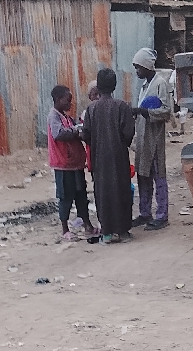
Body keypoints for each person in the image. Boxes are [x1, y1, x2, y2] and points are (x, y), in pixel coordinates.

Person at [82, 68, 136, 244]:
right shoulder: (122, 107)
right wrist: (120, 143)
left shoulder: (91, 109)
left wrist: (97, 143)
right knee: (121, 191)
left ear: (98, 86)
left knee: (102, 193)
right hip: (119, 157)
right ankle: (123, 232)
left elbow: (85, 134)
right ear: (114, 86)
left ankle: (106, 233)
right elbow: (128, 133)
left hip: (99, 159)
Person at [47, 85, 98, 240]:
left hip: (75, 164)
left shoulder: (67, 118)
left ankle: (87, 225)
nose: (70, 103)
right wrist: (76, 131)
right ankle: (65, 229)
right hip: (63, 165)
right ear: (58, 99)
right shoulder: (54, 116)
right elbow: (58, 134)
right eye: (67, 100)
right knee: (66, 197)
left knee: (81, 195)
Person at [130, 47, 172, 230]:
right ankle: (145, 212)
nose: (137, 71)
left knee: (158, 175)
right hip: (142, 138)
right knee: (143, 175)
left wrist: (144, 111)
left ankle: (162, 215)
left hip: (154, 138)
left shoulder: (160, 84)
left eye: (138, 67)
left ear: (147, 66)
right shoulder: (145, 86)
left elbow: (166, 111)